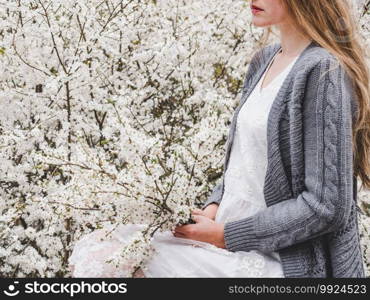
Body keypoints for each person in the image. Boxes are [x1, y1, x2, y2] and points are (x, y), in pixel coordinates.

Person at [68, 0, 370, 278]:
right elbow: (244, 161)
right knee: (104, 246)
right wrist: (212, 207)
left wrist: (226, 234)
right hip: (223, 235)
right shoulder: (265, 59)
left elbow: (326, 206)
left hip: (282, 260)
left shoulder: (323, 70)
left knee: (116, 263)